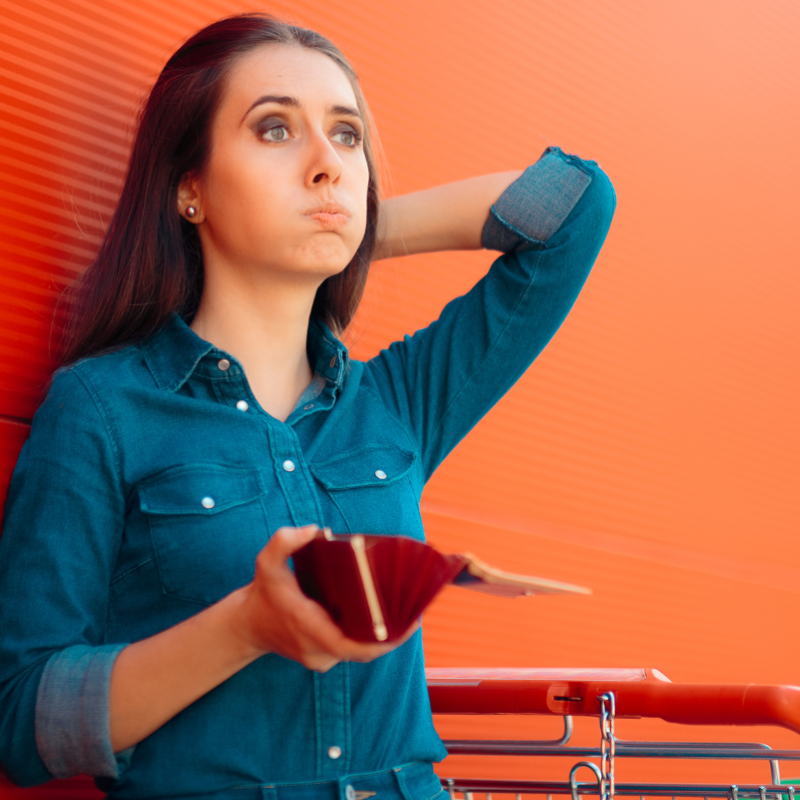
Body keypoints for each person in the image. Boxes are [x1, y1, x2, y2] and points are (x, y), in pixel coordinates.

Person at [0, 12, 616, 800]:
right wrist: (244, 627)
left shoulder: (395, 404)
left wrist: (348, 232)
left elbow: (574, 205)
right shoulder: (101, 409)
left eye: (347, 136)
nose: (328, 164)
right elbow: (24, 722)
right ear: (190, 188)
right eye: (275, 131)